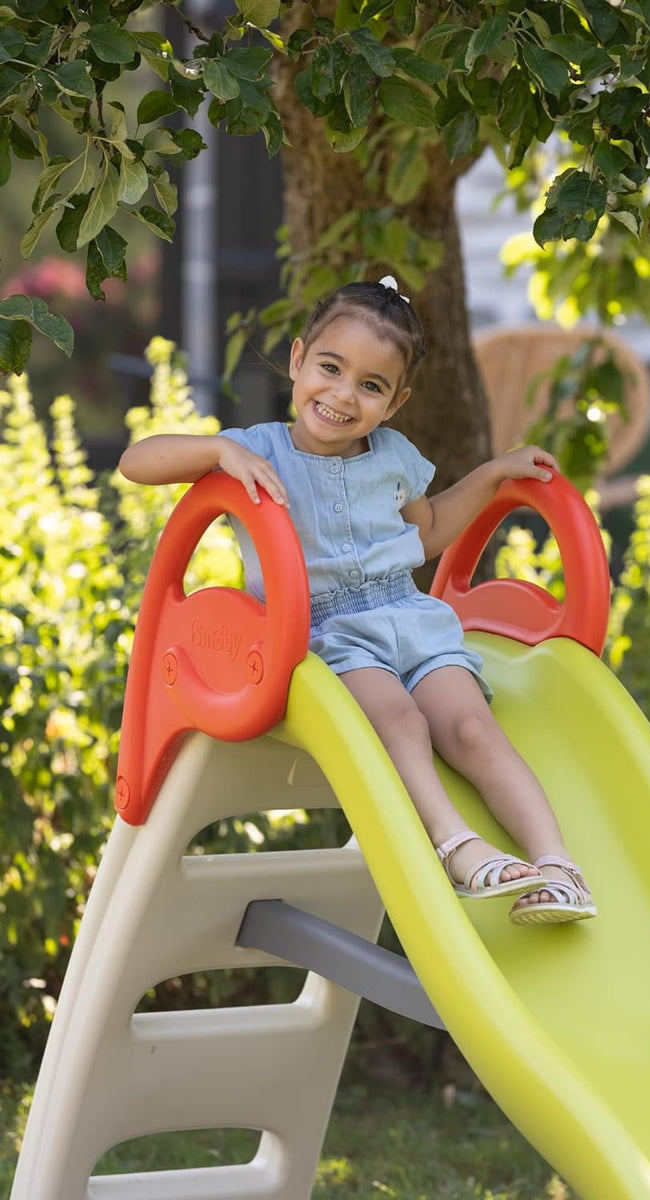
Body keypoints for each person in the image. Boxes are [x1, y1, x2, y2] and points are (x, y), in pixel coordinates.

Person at [119, 276, 595, 925]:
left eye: (370, 386)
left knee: (470, 727)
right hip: (322, 635)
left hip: (409, 616)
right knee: (399, 721)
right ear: (297, 360)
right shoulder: (255, 449)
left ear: (395, 401)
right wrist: (216, 449)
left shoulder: (394, 454)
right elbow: (136, 461)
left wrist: (490, 475)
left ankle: (558, 864)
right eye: (330, 368)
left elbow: (424, 536)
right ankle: (457, 844)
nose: (343, 395)